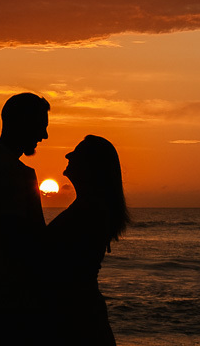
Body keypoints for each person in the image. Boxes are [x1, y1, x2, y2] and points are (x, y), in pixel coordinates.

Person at [0, 92, 51, 346]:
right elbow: (20, 242)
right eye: (40, 127)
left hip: (6, 294)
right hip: (14, 300)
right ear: (22, 123)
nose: (44, 136)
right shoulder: (10, 173)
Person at [46, 135, 131, 345]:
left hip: (78, 319)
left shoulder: (90, 210)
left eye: (77, 152)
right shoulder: (90, 207)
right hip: (79, 314)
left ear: (92, 166)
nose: (68, 155)